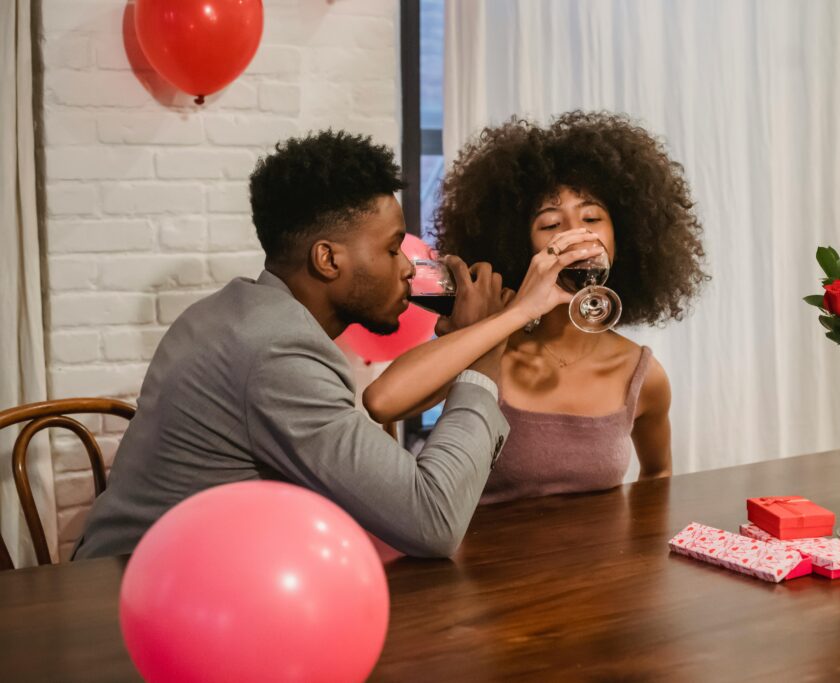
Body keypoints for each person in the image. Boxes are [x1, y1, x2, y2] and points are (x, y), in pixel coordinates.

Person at [74, 129, 596, 559]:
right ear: (328, 260)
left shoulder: (231, 312)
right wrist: (492, 344)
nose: (408, 267)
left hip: (196, 568)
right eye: (393, 248)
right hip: (140, 603)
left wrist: (471, 337)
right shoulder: (277, 353)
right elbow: (432, 521)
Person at [363, 111, 707, 503]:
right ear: (519, 245)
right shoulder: (491, 350)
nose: (576, 234)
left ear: (622, 235)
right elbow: (382, 401)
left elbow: (658, 473)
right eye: (550, 224)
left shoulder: (642, 376)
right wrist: (518, 313)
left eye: (592, 217)